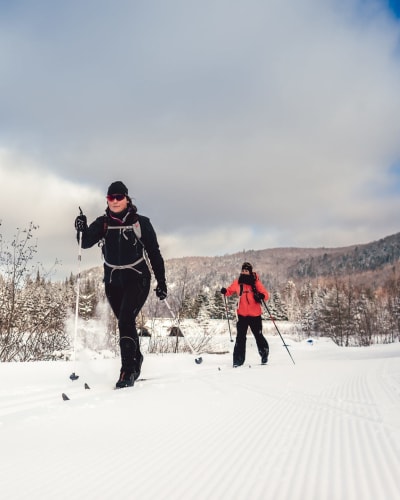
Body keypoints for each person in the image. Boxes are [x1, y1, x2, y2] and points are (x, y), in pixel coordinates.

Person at [74, 181, 167, 388]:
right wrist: (80, 228)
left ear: (126, 198)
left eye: (118, 197)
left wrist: (162, 282)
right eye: (110, 198)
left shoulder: (140, 223)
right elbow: (85, 242)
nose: (115, 201)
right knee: (125, 322)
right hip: (113, 281)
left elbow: (154, 253)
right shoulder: (104, 222)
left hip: (137, 278)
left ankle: (127, 371)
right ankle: (136, 359)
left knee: (125, 319)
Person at [221, 262, 269, 367]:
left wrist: (260, 296)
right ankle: (237, 361)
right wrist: (225, 291)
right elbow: (229, 291)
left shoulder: (256, 283)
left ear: (250, 272)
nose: (244, 272)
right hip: (242, 315)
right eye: (243, 270)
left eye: (246, 271)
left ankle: (264, 353)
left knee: (258, 336)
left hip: (255, 315)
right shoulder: (238, 282)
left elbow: (266, 295)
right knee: (240, 337)